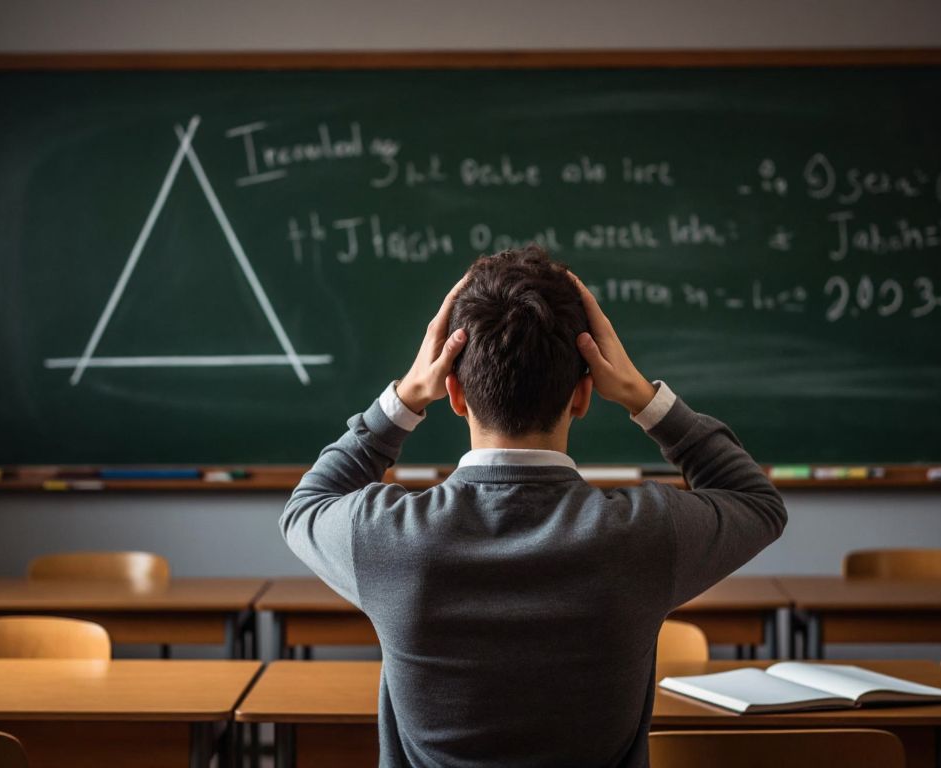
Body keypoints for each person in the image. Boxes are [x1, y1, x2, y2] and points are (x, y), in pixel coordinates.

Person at [281, 246, 787, 767]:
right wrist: (643, 397)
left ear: (453, 394)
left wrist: (405, 400)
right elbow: (757, 502)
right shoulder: (642, 537)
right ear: (584, 395)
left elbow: (304, 507)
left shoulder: (387, 536)